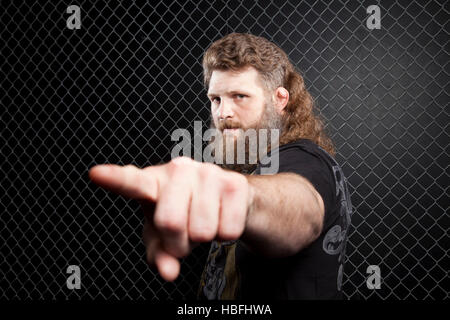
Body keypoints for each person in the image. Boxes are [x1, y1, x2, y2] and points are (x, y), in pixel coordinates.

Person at [89, 33, 353, 300]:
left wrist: (244, 197)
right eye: (215, 99)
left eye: (239, 96)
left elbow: (301, 207)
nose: (222, 113)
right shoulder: (253, 165)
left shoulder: (307, 161)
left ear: (280, 100)